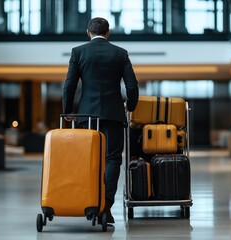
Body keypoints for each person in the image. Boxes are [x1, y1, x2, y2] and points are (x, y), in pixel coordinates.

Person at [62, 17, 139, 224]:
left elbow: (69, 85)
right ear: (108, 33)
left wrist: (67, 111)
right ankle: (105, 207)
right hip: (113, 115)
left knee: (87, 160)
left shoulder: (78, 52)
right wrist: (130, 106)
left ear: (88, 32)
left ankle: (89, 204)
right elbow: (132, 87)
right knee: (112, 159)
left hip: (86, 116)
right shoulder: (120, 53)